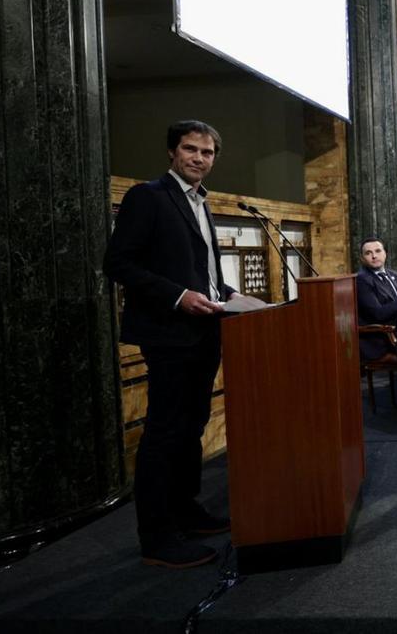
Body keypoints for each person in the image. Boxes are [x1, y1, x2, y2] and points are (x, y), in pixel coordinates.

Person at [104, 120, 240, 568]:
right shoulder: (149, 197)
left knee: (193, 425)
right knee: (164, 433)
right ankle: (157, 536)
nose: (199, 157)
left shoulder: (204, 203)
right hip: (168, 333)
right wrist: (179, 297)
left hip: (205, 331)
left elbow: (199, 270)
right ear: (171, 152)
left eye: (207, 152)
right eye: (190, 149)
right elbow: (118, 262)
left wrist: (229, 294)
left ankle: (186, 509)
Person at [355, 237, 397, 361]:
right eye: (368, 253)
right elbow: (378, 314)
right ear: (362, 258)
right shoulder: (362, 280)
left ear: (385, 253)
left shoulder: (394, 275)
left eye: (377, 251)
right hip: (386, 338)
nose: (374, 256)